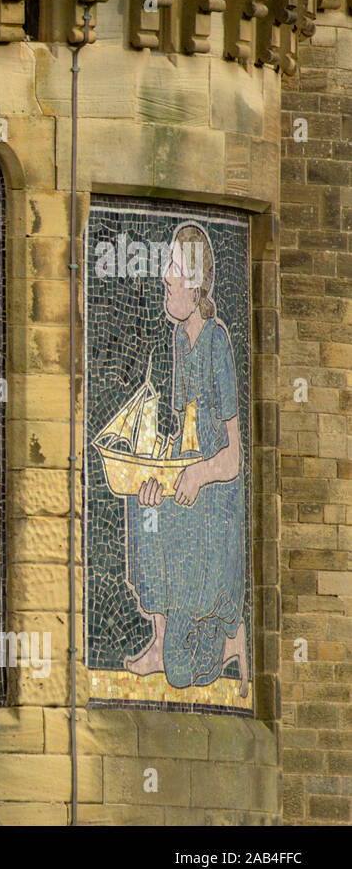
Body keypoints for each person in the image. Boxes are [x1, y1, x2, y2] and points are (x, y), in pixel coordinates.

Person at [124, 222, 250, 696]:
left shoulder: (217, 342)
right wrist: (154, 467)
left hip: (215, 505)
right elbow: (183, 431)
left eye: (174, 268)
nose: (165, 277)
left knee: (182, 675)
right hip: (188, 489)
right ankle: (159, 637)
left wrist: (197, 474)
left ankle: (229, 637)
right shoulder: (181, 340)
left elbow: (233, 456)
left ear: (195, 283)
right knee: (145, 504)